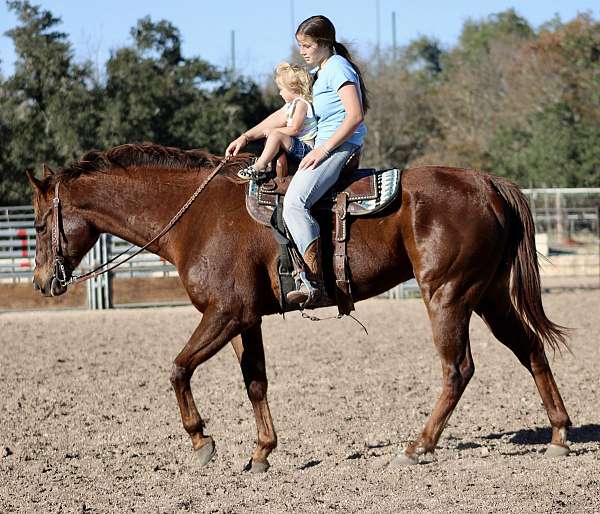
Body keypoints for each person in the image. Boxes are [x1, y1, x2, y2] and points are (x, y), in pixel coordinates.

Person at [226, 15, 368, 306]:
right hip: (322, 146)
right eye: (300, 45)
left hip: (340, 148)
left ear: (324, 43)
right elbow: (286, 113)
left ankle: (314, 282)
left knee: (294, 203)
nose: (302, 51)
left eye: (307, 45)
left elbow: (355, 115)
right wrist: (247, 136)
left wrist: (323, 149)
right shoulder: (318, 74)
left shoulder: (339, 68)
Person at [233, 62, 317, 181]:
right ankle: (266, 166)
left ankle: (259, 167)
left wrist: (274, 131)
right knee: (274, 137)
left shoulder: (301, 104)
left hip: (305, 149)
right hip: (296, 145)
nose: (280, 93)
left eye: (282, 89)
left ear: (293, 88)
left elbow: (295, 129)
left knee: (276, 136)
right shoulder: (290, 106)